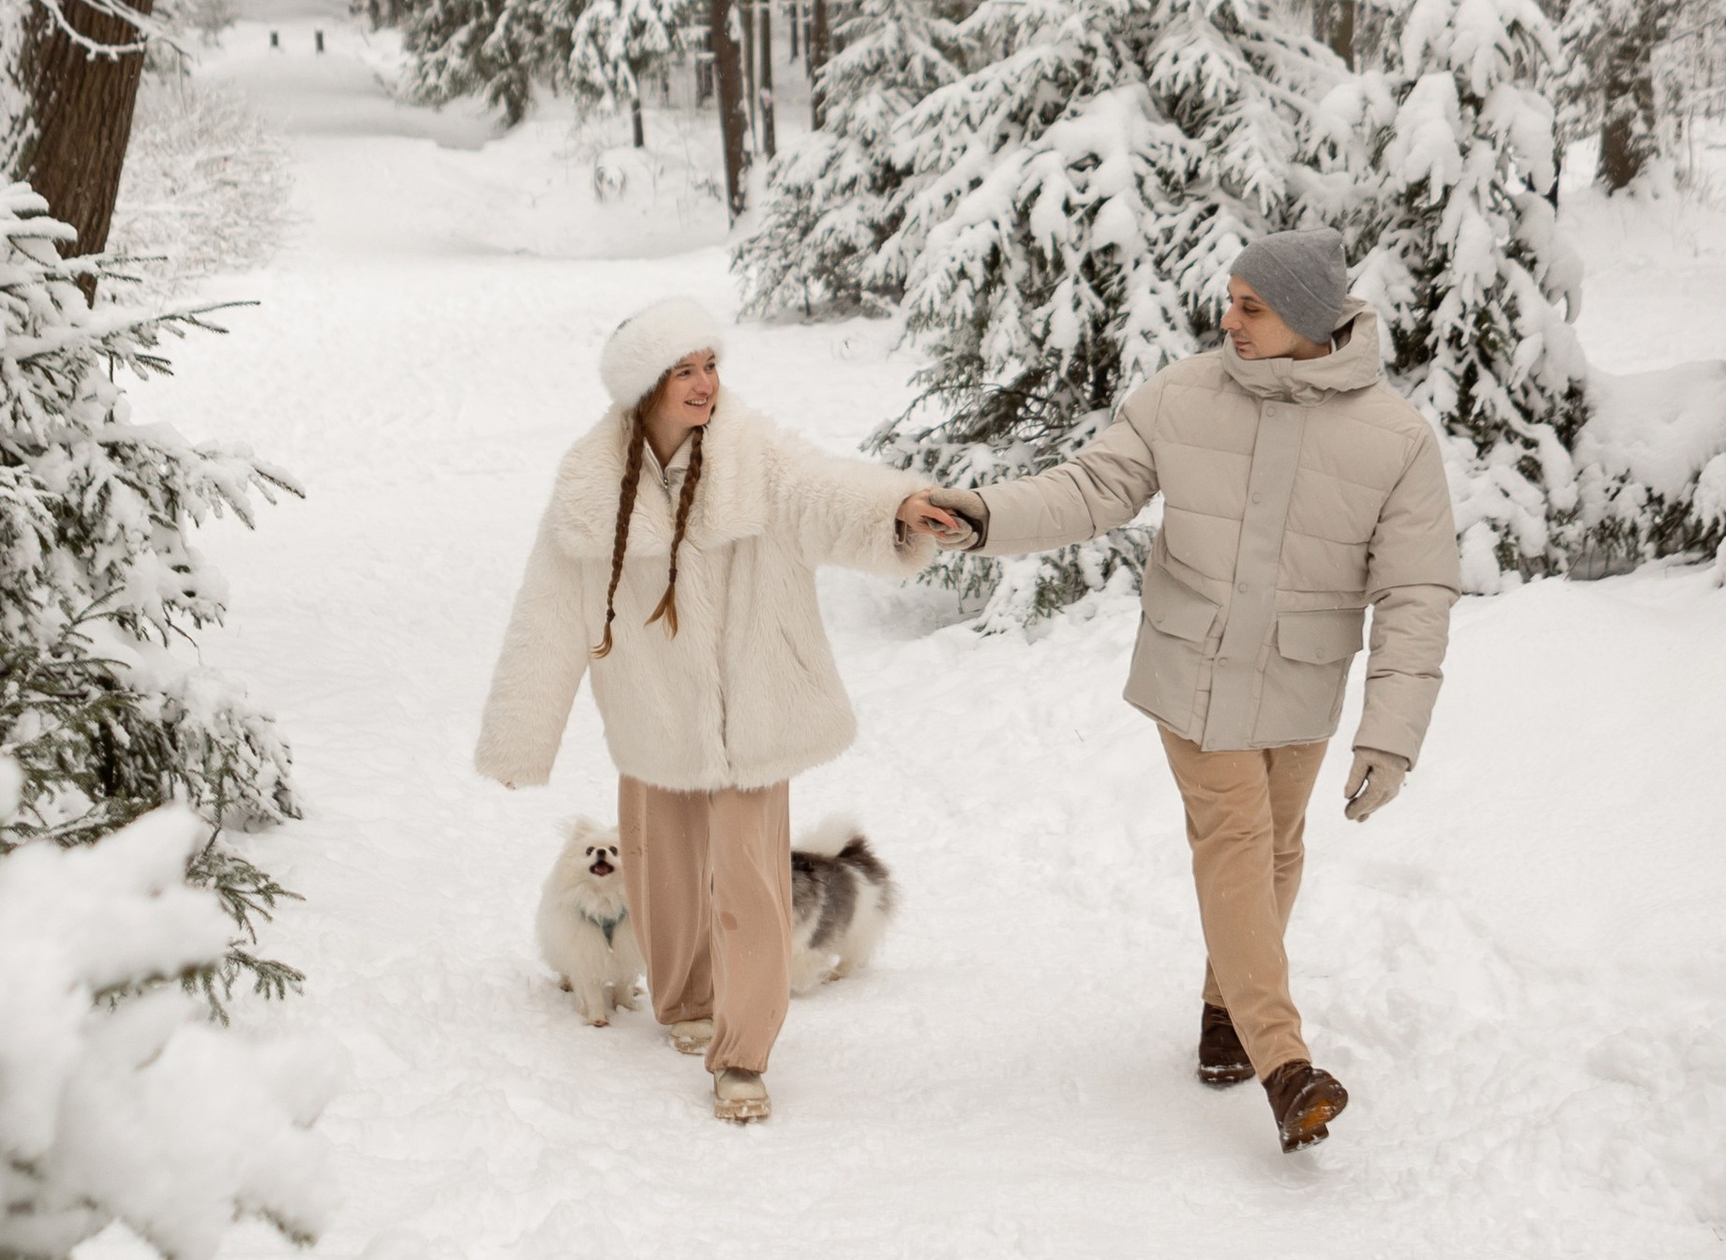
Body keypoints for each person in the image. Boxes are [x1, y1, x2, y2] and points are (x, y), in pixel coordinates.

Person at [913, 223, 1458, 1157]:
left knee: (1278, 851)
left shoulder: (1396, 440)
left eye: (1252, 307)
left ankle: (1223, 1017)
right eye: (1230, 300)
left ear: (1310, 319)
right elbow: (1091, 489)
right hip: (1193, 667)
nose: (1228, 319)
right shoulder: (1181, 395)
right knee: (1238, 842)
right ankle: (1286, 1066)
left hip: (1300, 677)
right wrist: (985, 515)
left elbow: (1416, 594)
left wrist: (1391, 735)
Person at [477, 295, 968, 1124]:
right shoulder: (592, 481)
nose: (706, 384)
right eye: (685, 371)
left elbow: (824, 490)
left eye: (712, 366)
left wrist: (898, 507)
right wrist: (521, 738)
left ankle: (743, 1056)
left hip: (754, 715)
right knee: (663, 880)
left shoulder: (754, 453)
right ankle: (685, 1004)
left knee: (751, 886)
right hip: (652, 714)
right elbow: (549, 609)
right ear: (643, 387)